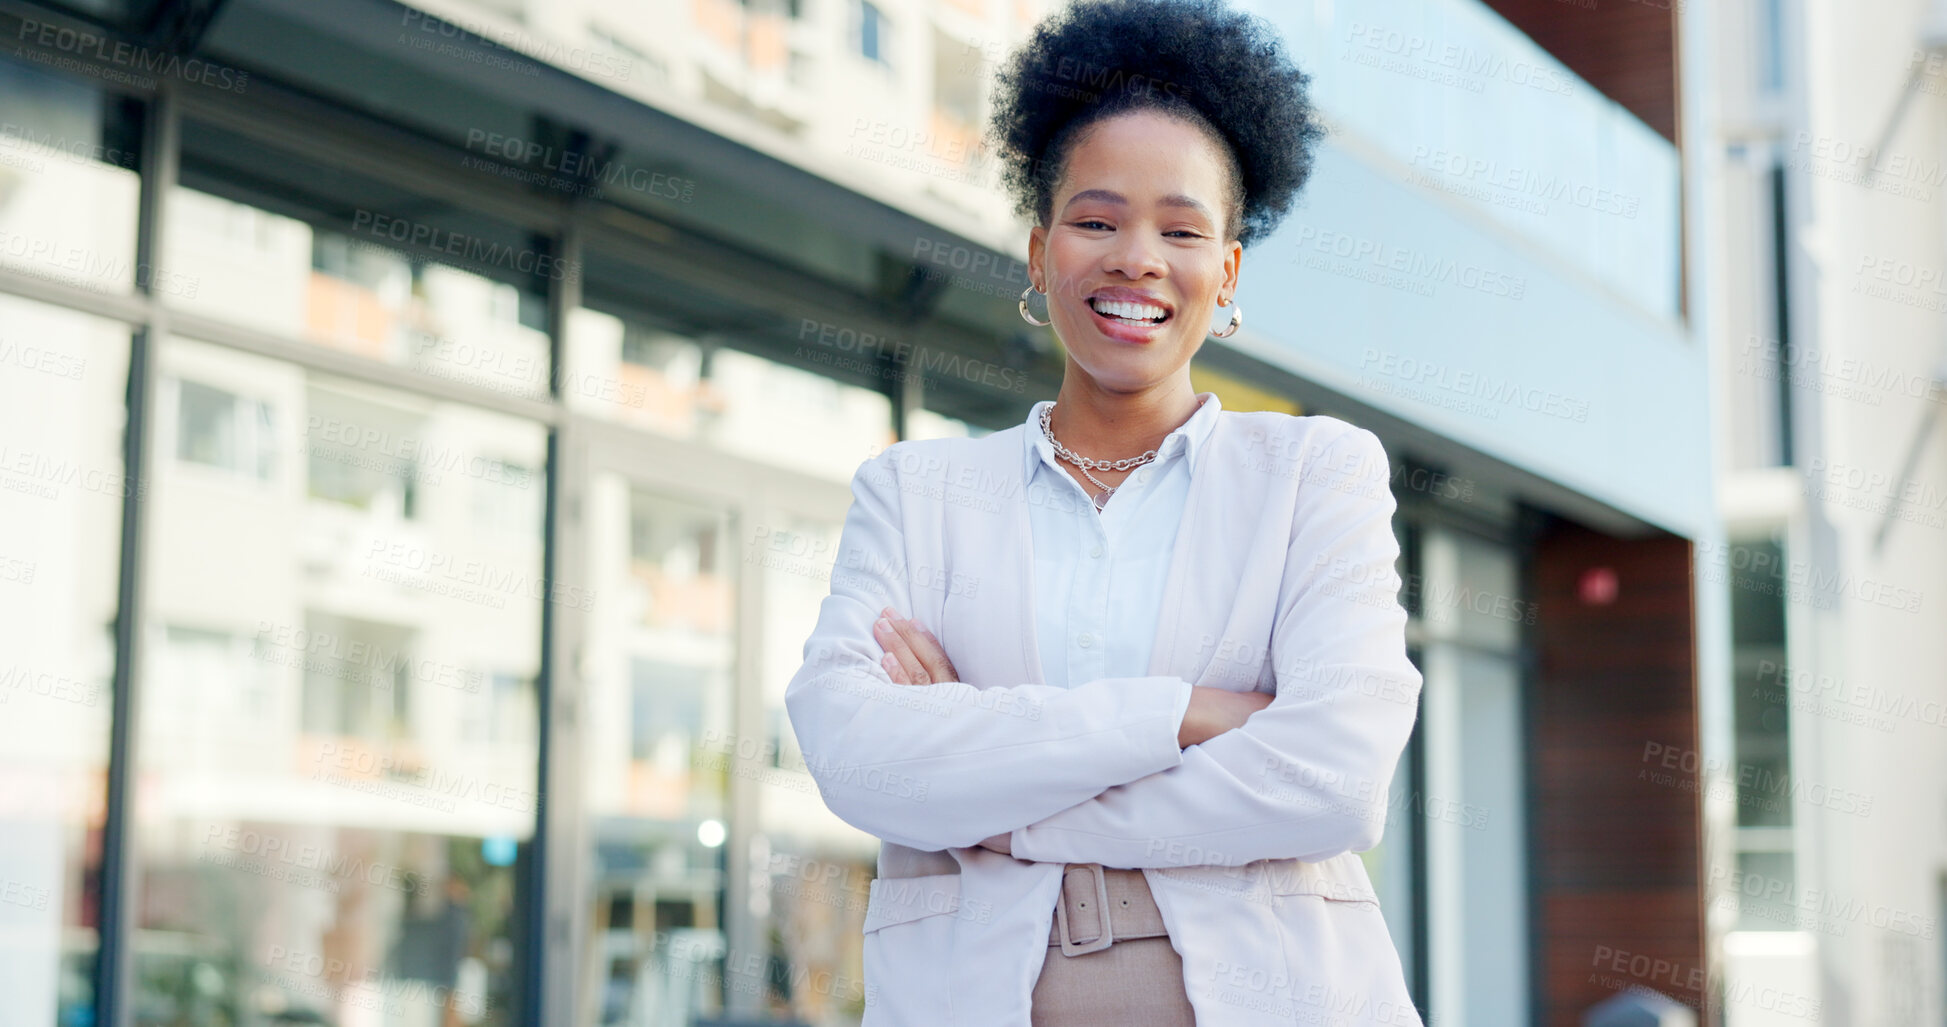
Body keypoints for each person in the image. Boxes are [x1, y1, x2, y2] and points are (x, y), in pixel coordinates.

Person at [784, 1, 1424, 1023]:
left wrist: (1002, 798)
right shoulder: (915, 496)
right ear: (1039, 254)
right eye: (1095, 220)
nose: (1137, 257)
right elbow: (856, 752)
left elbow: (1333, 778)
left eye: (1182, 229)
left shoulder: (1317, 474)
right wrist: (1183, 713)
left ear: (1227, 272)